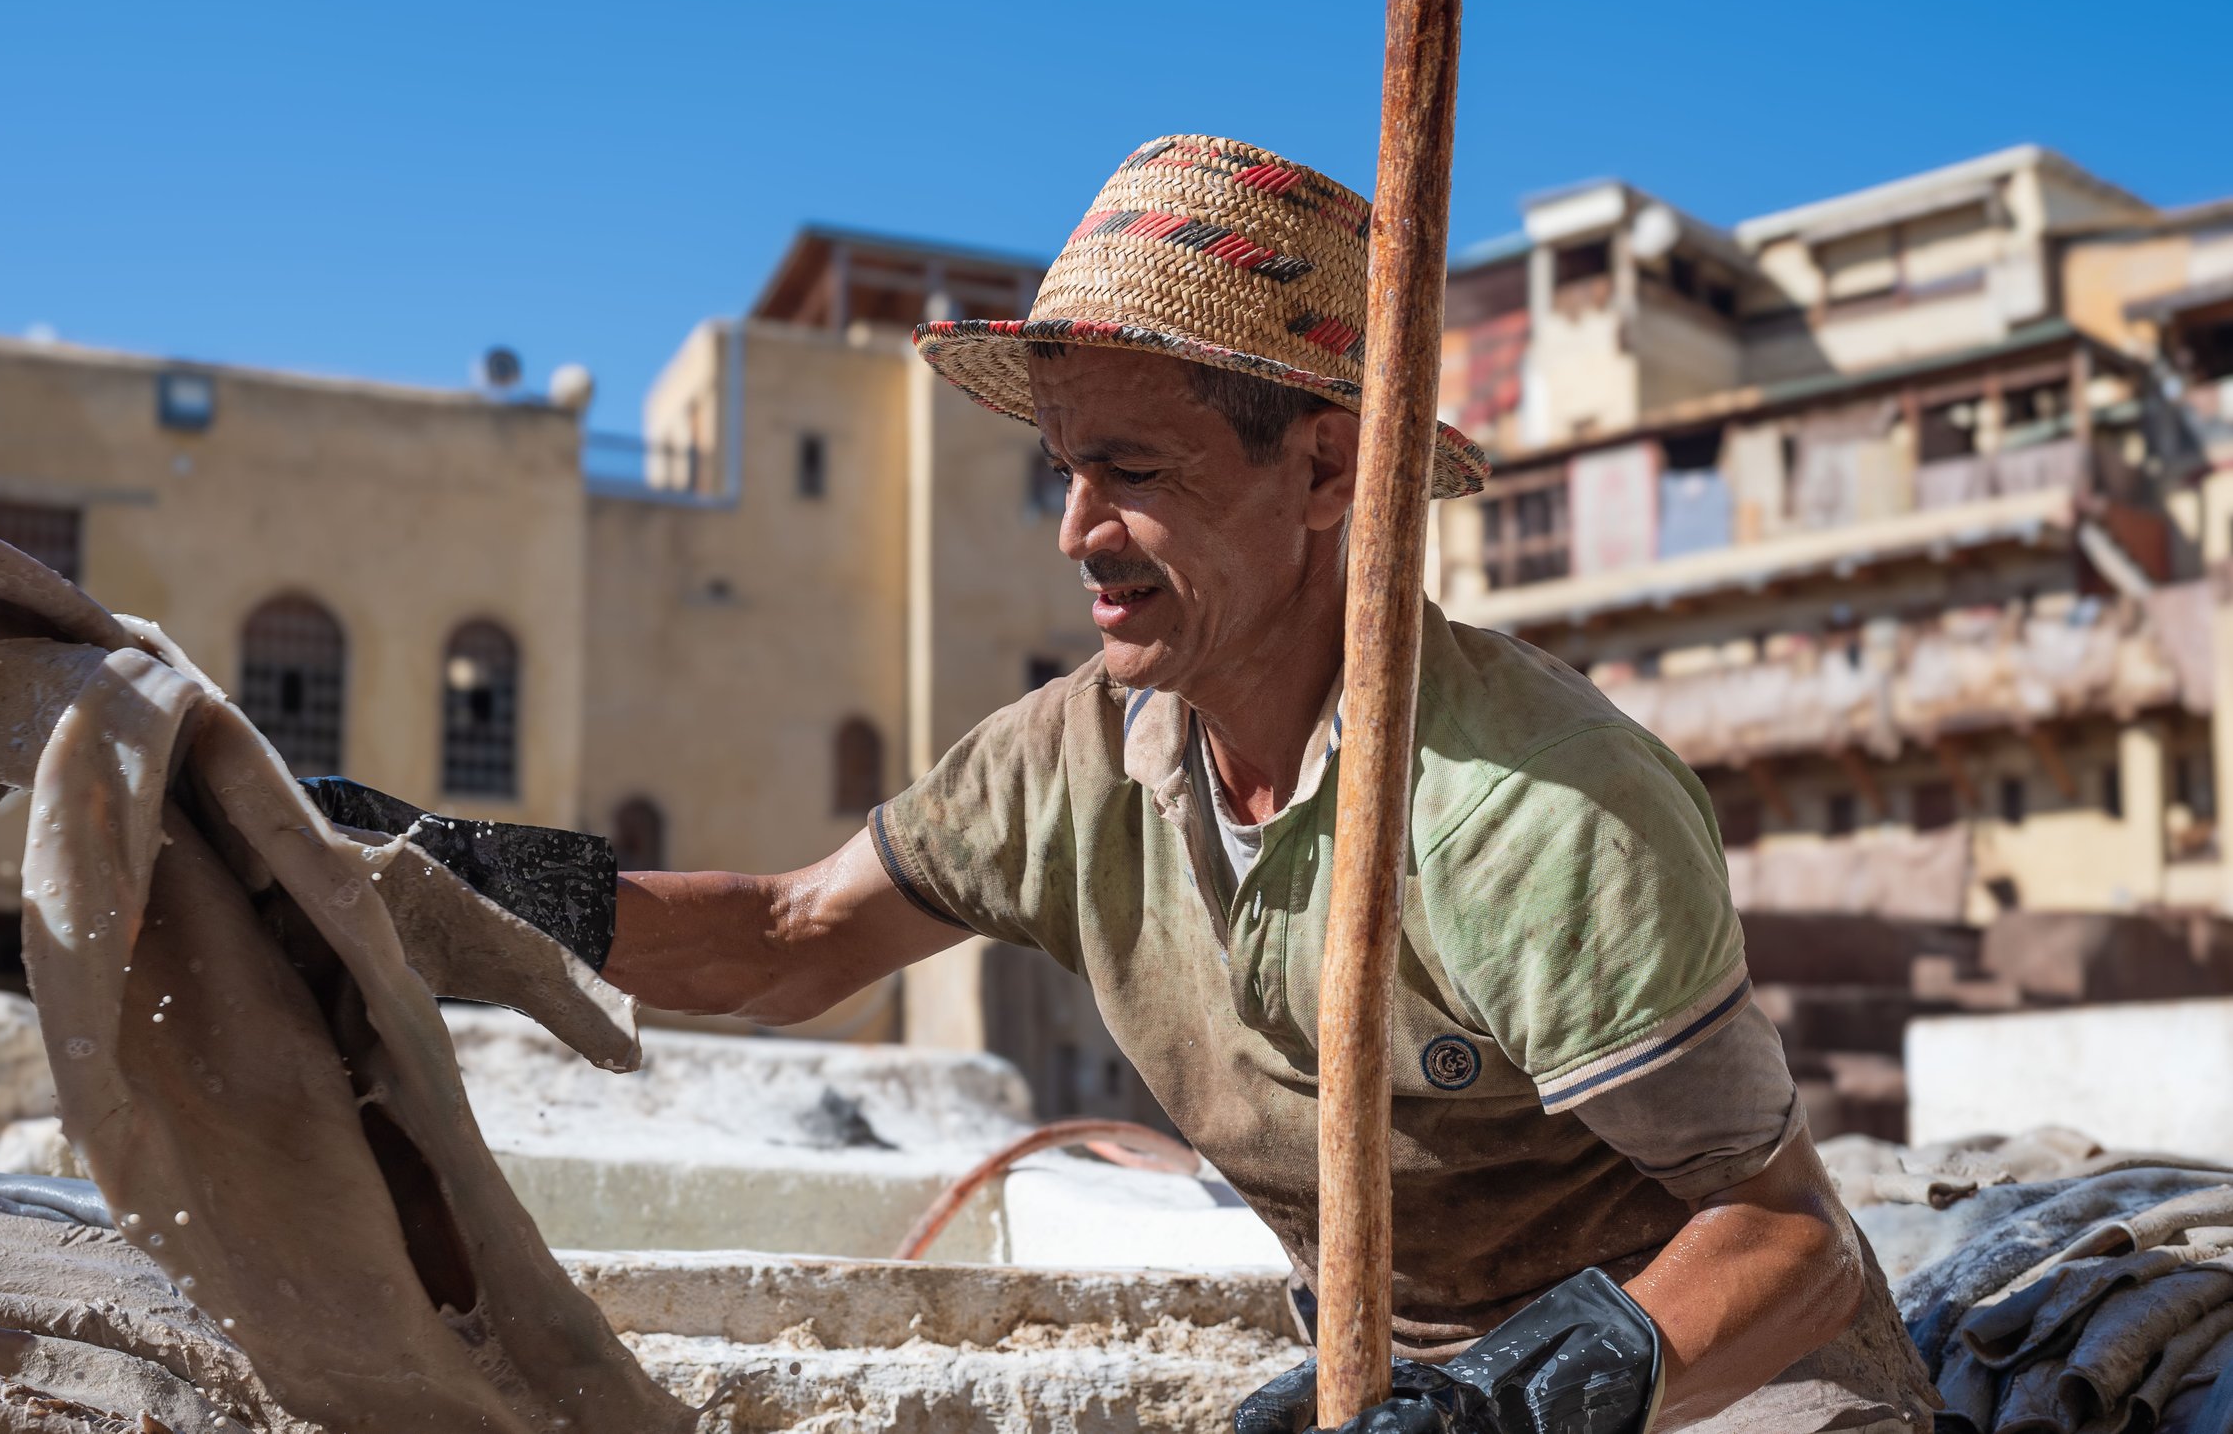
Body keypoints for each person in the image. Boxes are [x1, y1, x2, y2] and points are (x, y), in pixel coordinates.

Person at [598, 137, 1938, 1434]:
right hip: (1393, 1392)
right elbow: (783, 942)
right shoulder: (1067, 763)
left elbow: (1788, 1244)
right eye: (1063, 471)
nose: (1076, 531)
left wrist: (1506, 1409)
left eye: (1133, 472)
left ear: (1323, 470)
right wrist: (442, 885)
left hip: (1725, 1393)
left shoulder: (1539, 809)